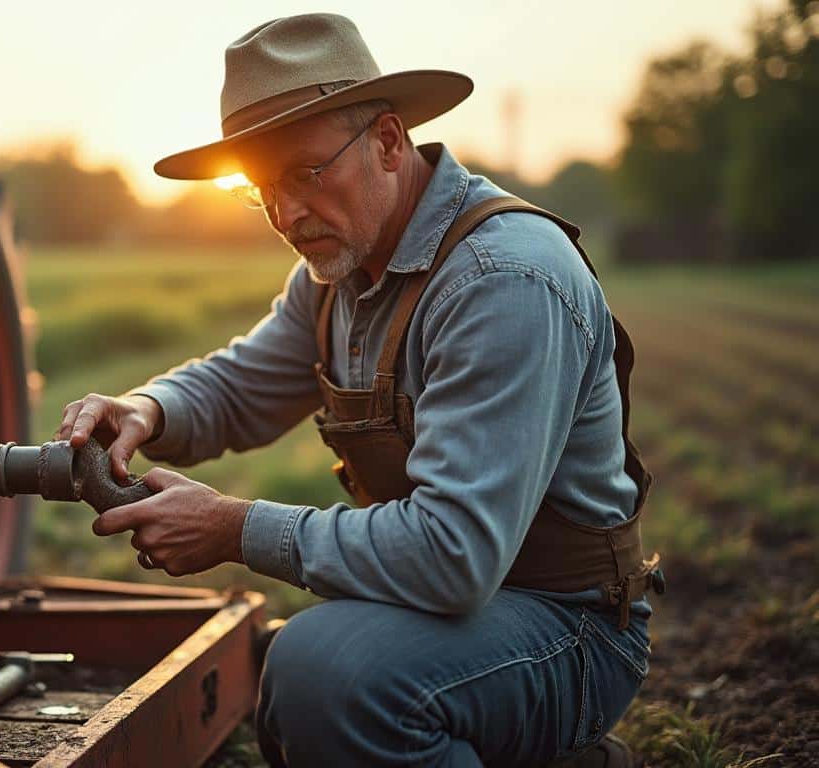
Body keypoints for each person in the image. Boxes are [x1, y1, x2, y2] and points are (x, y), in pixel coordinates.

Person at [56, 13, 661, 768]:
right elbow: (244, 382)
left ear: (386, 140)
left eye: (305, 173)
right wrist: (145, 408)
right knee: (298, 678)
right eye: (260, 188)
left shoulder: (502, 281)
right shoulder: (341, 270)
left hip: (569, 628)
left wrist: (232, 527)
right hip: (469, 610)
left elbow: (452, 554)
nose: (284, 214)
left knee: (328, 677)